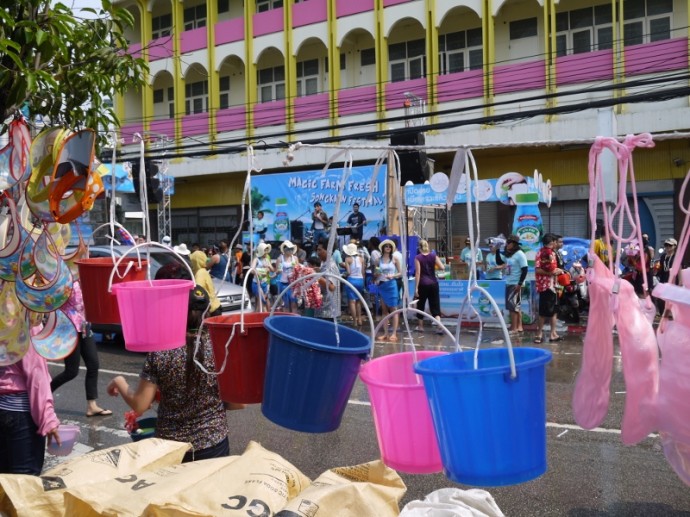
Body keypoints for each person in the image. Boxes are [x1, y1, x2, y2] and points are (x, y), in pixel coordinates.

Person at [107, 284, 242, 463]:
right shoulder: (221, 348)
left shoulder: (161, 351)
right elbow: (238, 404)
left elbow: (140, 404)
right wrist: (207, 399)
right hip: (214, 445)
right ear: (208, 312)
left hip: (170, 448)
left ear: (174, 311)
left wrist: (119, 381)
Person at [50, 281, 112, 417]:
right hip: (69, 328)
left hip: (84, 325)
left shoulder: (84, 279)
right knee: (71, 372)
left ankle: (92, 405)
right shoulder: (64, 279)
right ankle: (45, 393)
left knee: (93, 364)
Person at [1, 342, 61, 475]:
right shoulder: (26, 324)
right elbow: (36, 375)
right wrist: (48, 418)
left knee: (4, 481)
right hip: (20, 415)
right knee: (24, 482)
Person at [534, 233, 564, 344]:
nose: (557, 243)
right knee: (543, 312)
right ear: (551, 242)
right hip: (545, 286)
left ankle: (553, 333)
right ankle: (539, 334)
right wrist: (552, 272)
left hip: (554, 286)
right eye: (555, 241)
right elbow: (538, 270)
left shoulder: (553, 253)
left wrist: (557, 272)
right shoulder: (541, 253)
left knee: (554, 311)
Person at [495, 235, 528, 334]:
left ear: (514, 244)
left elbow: (525, 269)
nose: (506, 245)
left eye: (508, 243)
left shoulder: (520, 254)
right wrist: (497, 250)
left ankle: (514, 328)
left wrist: (519, 283)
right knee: (515, 306)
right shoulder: (510, 255)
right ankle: (518, 327)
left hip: (515, 283)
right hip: (509, 282)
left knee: (513, 307)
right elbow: (499, 261)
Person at [413, 239, 445, 333]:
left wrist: (416, 288)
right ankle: (439, 326)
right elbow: (442, 267)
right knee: (435, 305)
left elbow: (418, 273)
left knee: (420, 305)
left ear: (419, 247)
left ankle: (420, 326)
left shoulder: (418, 258)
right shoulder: (433, 256)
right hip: (433, 283)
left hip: (423, 284)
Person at [376, 239, 402, 341]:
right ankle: (386, 333)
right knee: (384, 310)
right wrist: (376, 275)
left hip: (392, 285)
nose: (388, 248)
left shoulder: (395, 258)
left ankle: (394, 333)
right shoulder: (378, 260)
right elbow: (376, 272)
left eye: (389, 246)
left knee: (394, 310)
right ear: (383, 248)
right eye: (386, 246)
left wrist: (393, 275)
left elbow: (400, 272)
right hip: (382, 285)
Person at [190, 250, 222, 317]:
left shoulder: (200, 273)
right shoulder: (203, 271)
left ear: (195, 262)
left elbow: (198, 290)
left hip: (211, 309)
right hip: (215, 306)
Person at [314, 242, 342, 320]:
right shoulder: (326, 264)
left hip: (327, 310)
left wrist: (316, 275)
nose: (318, 252)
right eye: (317, 250)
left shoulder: (329, 265)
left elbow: (331, 287)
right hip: (327, 309)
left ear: (328, 251)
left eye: (320, 250)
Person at [342, 242, 365, 326]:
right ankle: (360, 319)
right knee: (359, 301)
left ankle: (354, 321)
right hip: (360, 280)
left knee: (352, 302)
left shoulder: (347, 259)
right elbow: (363, 272)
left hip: (351, 280)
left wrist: (343, 275)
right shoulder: (361, 258)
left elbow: (348, 272)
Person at [276, 240, 299, 313]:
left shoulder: (295, 258)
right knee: (286, 304)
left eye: (292, 249)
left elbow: (298, 269)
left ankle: (294, 320)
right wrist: (279, 270)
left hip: (293, 283)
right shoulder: (280, 259)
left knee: (294, 303)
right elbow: (277, 271)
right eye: (289, 249)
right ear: (285, 250)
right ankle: (287, 319)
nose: (291, 250)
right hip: (284, 283)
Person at [251, 242, 274, 308]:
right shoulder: (256, 259)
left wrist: (269, 266)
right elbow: (251, 270)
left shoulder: (267, 259)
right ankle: (262, 316)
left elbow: (272, 270)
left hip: (265, 283)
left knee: (265, 300)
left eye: (267, 250)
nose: (266, 252)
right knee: (261, 301)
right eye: (265, 250)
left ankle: (266, 316)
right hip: (257, 283)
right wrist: (257, 272)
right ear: (261, 251)